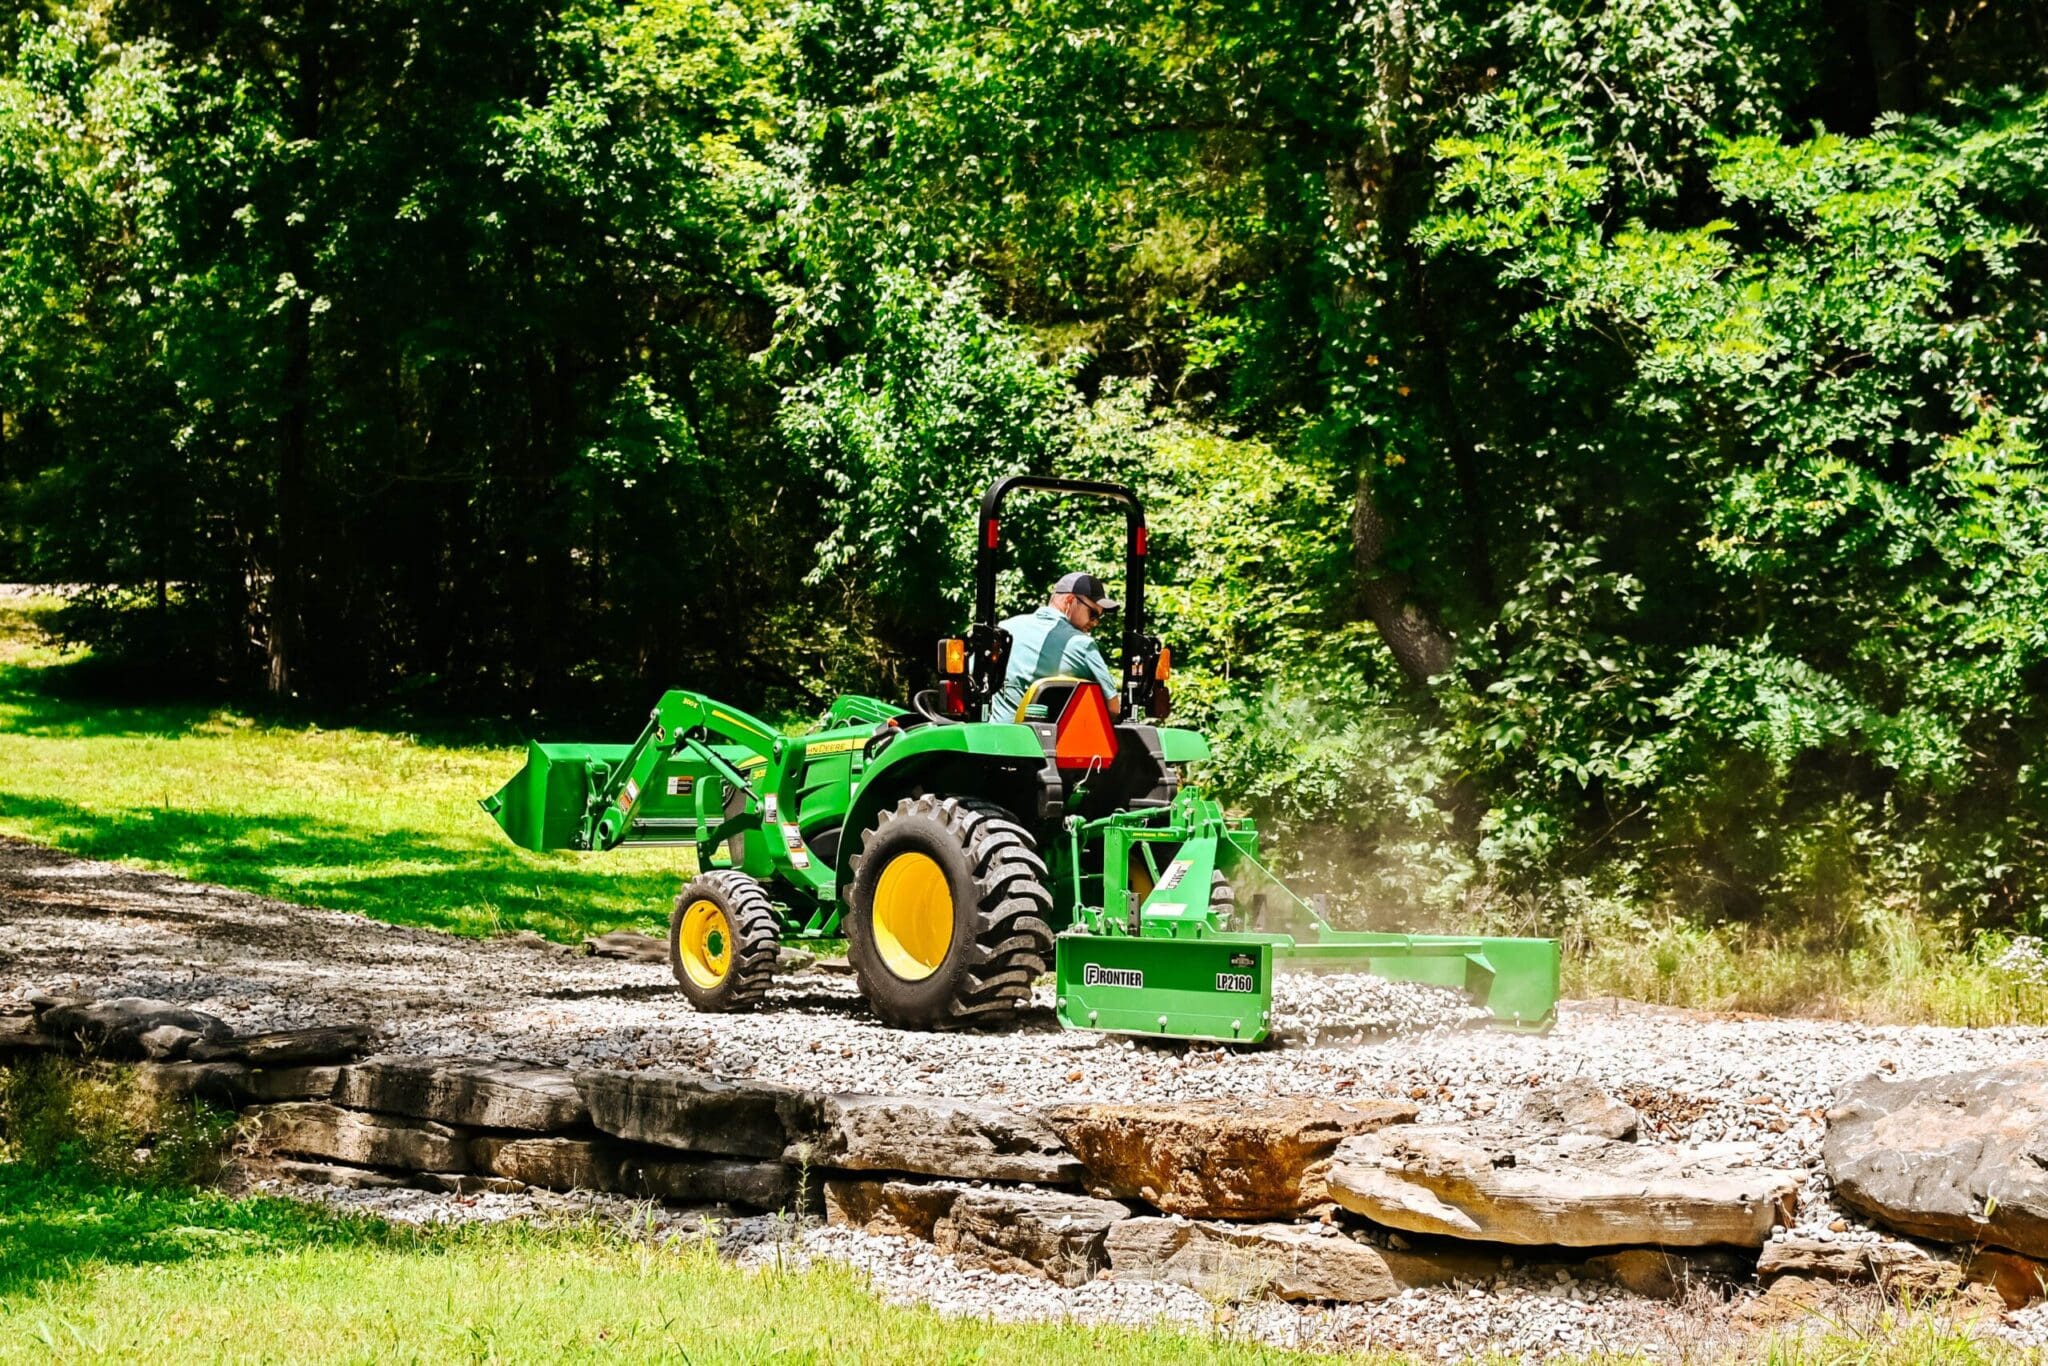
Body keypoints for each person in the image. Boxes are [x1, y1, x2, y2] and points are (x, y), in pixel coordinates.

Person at [991, 572, 1122, 719]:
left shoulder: (1005, 629)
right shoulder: (1082, 644)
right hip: (1052, 741)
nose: (1095, 622)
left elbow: (975, 680)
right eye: (1093, 614)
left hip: (998, 737)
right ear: (1069, 601)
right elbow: (1113, 708)